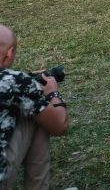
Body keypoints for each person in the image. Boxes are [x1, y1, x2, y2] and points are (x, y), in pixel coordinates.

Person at [0, 25, 68, 190]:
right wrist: (51, 94)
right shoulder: (15, 81)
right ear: (9, 53)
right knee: (37, 110)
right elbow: (59, 127)